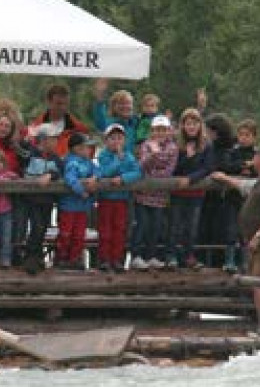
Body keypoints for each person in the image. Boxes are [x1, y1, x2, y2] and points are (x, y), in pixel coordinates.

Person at [211, 143, 260, 338]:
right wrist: (225, 178)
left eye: (257, 154)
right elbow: (245, 186)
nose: (253, 156)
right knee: (258, 283)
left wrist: (258, 235)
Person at [169, 108, 216, 271]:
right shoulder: (176, 144)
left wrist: (191, 179)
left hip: (196, 192)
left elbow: (207, 167)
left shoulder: (206, 145)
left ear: (199, 125)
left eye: (194, 123)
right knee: (175, 225)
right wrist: (186, 158)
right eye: (188, 123)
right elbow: (172, 168)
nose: (191, 127)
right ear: (182, 125)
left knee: (192, 227)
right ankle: (173, 255)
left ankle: (189, 256)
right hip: (177, 192)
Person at [132, 116, 178, 270]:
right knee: (141, 226)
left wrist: (152, 174)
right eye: (157, 129)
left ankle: (151, 256)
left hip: (160, 196)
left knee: (156, 227)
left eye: (163, 129)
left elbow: (169, 170)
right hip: (143, 195)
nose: (160, 133)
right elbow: (143, 166)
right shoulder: (146, 145)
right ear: (152, 131)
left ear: (169, 131)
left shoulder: (173, 147)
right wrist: (153, 154)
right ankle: (136, 256)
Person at [95, 124, 141, 272]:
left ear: (125, 140)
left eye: (119, 138)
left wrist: (123, 178)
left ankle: (117, 259)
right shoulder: (102, 155)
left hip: (122, 200)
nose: (116, 141)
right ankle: (104, 259)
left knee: (120, 230)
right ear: (106, 140)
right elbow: (104, 172)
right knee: (105, 230)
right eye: (112, 138)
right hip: (106, 199)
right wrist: (118, 161)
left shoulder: (129, 156)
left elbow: (137, 172)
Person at [201, 114, 243, 272]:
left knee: (228, 229)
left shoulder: (230, 148)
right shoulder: (211, 147)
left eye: (209, 131)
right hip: (211, 197)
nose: (206, 134)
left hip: (227, 197)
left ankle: (228, 261)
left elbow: (225, 165)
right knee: (210, 229)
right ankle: (210, 261)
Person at [19, 126, 63, 275]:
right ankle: (30, 256)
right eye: (53, 139)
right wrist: (26, 139)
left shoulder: (55, 158)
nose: (56, 142)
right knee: (35, 227)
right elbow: (21, 154)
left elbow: (60, 172)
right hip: (30, 199)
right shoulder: (31, 154)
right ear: (44, 140)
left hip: (47, 200)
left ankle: (37, 256)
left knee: (42, 227)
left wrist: (51, 174)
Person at [57, 132, 98, 271]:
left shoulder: (89, 162)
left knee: (79, 235)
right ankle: (62, 258)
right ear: (77, 148)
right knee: (66, 234)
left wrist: (94, 178)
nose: (89, 150)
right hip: (69, 206)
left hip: (82, 208)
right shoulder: (71, 162)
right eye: (87, 147)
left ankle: (74, 259)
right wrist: (82, 191)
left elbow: (99, 171)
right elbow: (70, 179)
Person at [26, 82, 89, 157]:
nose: (63, 107)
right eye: (59, 103)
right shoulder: (35, 127)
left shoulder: (79, 128)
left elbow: (89, 152)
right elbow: (30, 151)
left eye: (65, 104)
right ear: (49, 102)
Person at [91, 80, 139, 155]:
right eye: (121, 103)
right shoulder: (109, 124)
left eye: (128, 103)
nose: (125, 106)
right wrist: (99, 95)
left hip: (134, 165)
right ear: (113, 107)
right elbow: (99, 118)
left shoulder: (137, 122)